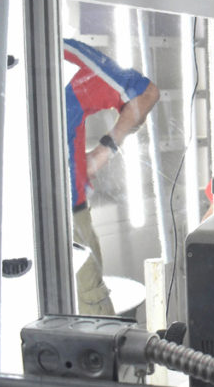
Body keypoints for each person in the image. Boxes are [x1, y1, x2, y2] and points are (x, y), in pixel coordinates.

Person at [63, 38, 160, 315]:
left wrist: (106, 148)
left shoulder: (64, 57)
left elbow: (144, 94)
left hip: (68, 222)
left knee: (92, 340)